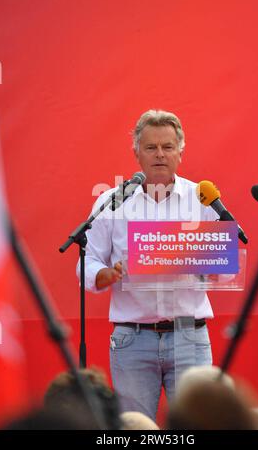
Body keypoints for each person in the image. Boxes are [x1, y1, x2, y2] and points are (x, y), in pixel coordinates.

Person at [77, 109, 218, 421]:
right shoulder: (112, 201)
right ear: (136, 152)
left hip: (189, 335)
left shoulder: (202, 199)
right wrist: (105, 274)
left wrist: (210, 265)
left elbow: (224, 266)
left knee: (199, 425)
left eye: (168, 147)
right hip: (132, 339)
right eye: (151, 147)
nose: (159, 155)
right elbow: (87, 262)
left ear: (180, 151)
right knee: (134, 428)